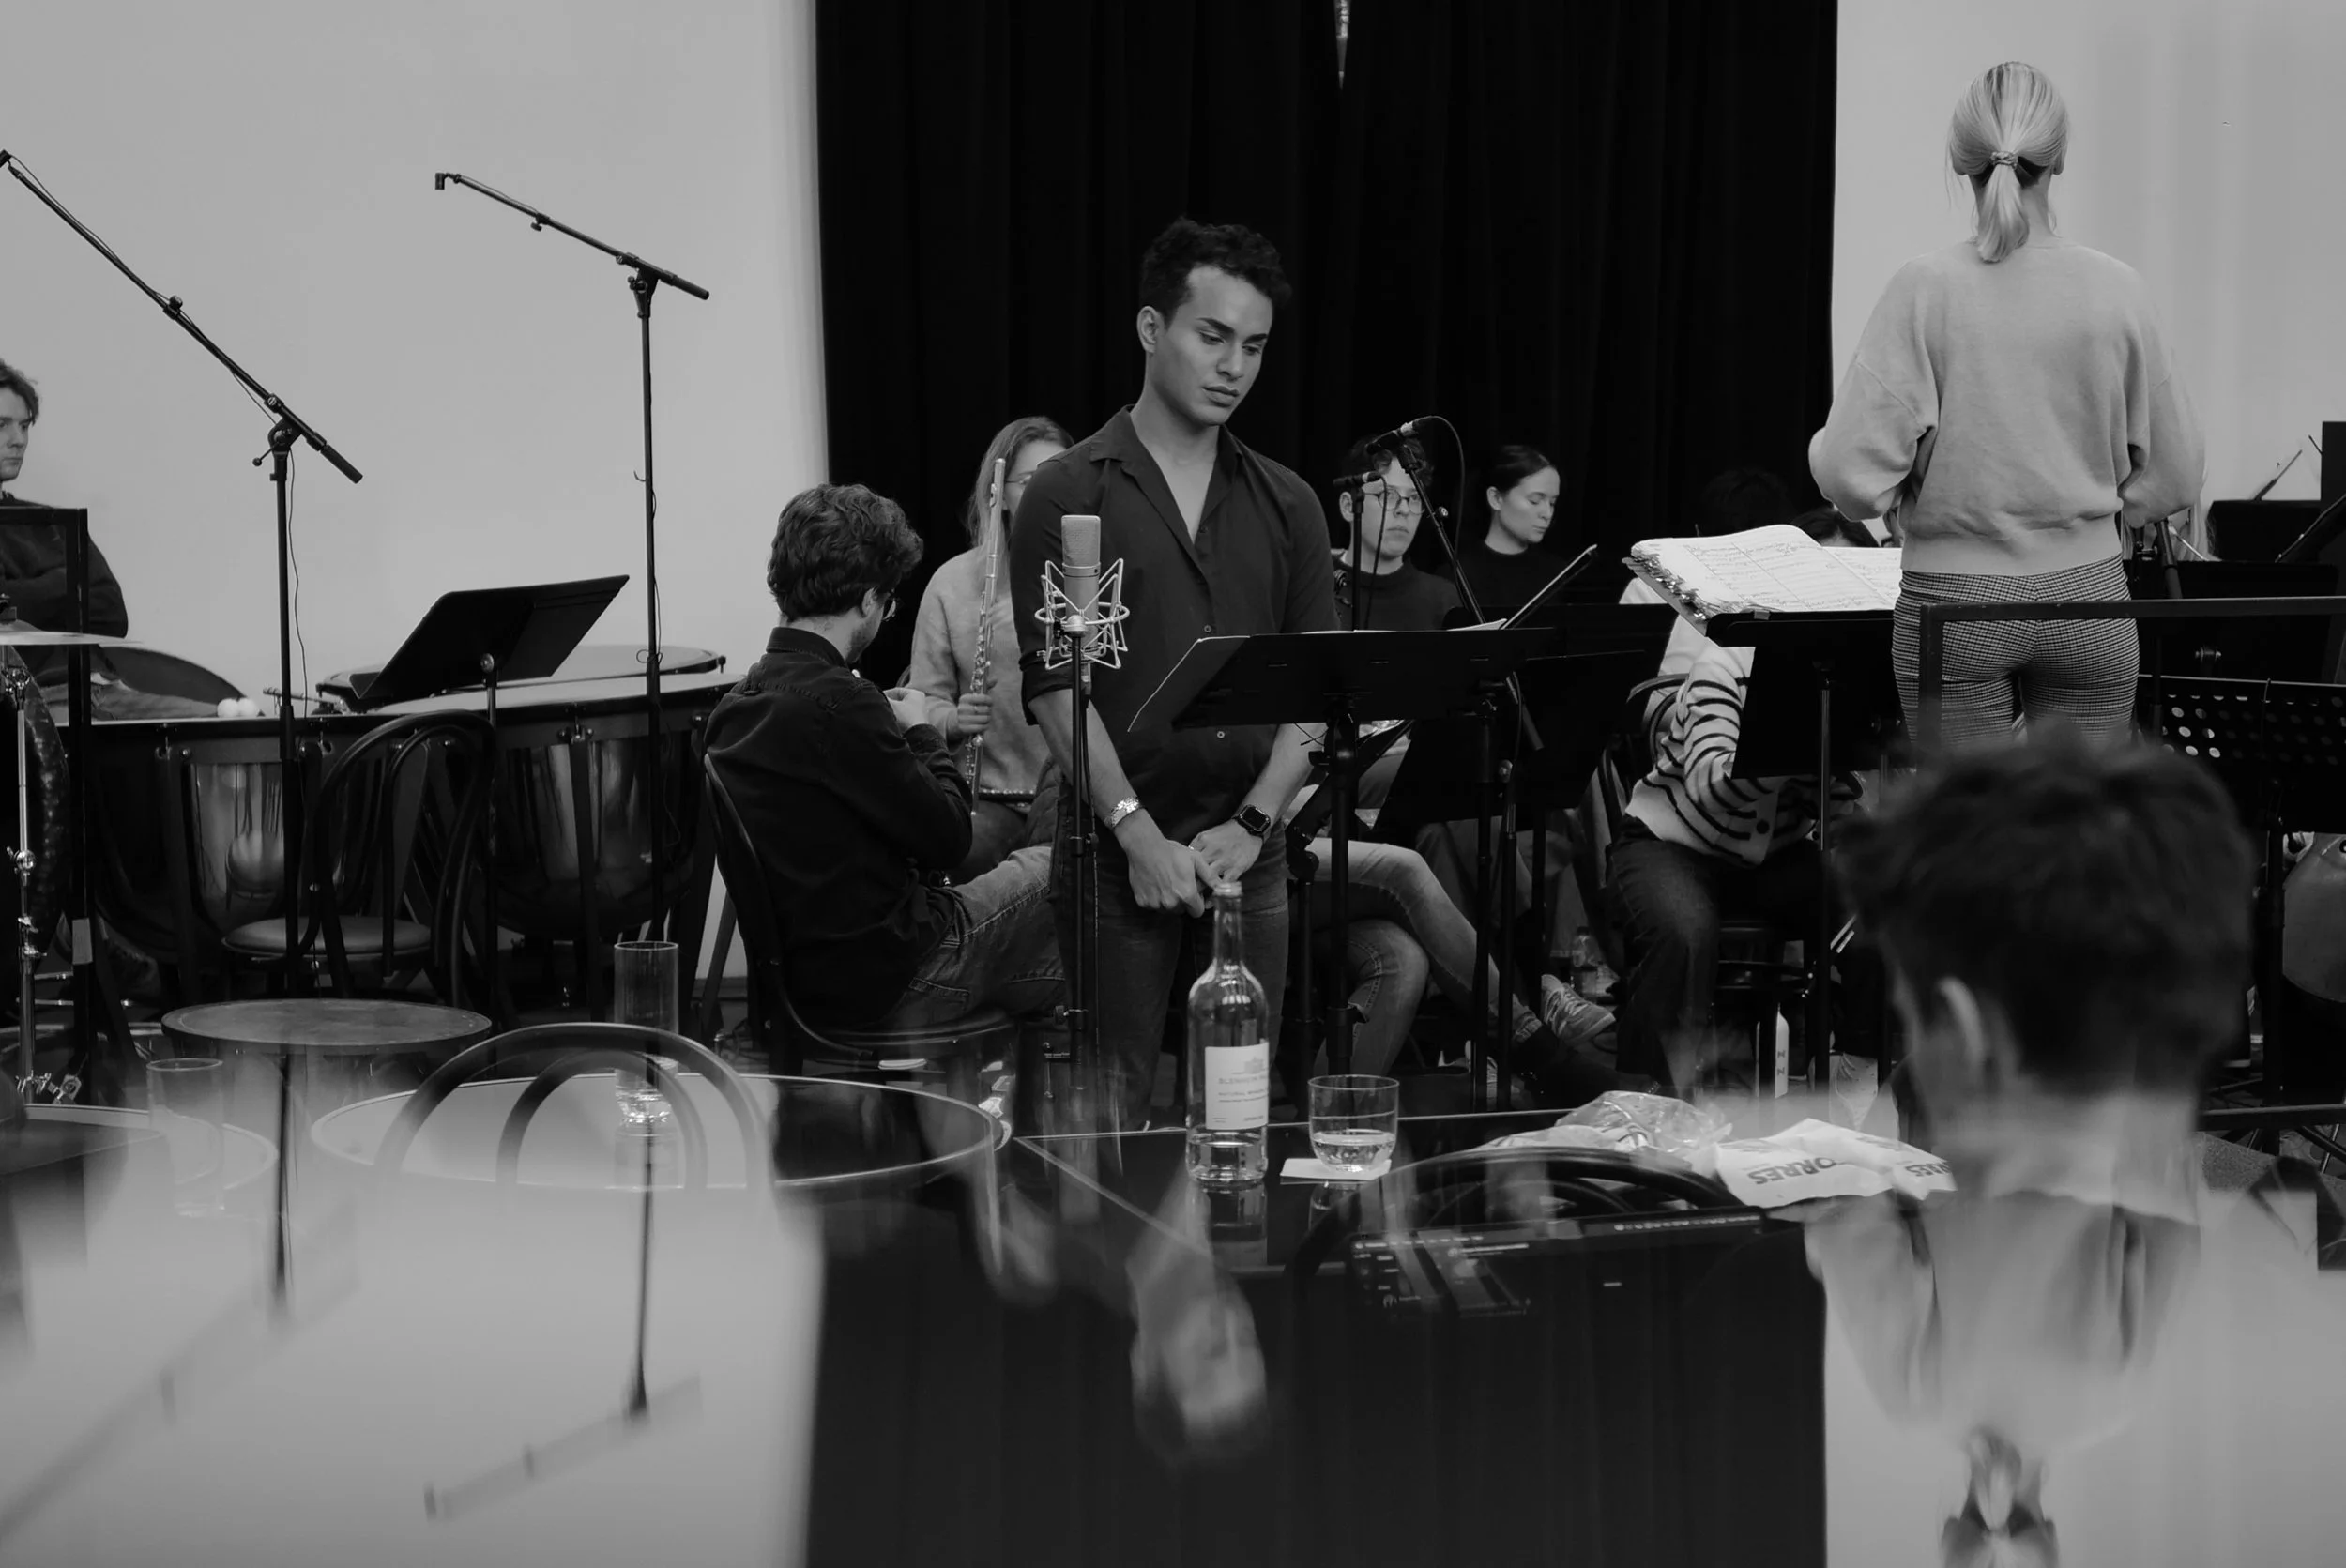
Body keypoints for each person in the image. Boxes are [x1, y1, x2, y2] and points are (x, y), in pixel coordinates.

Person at [1010, 217, 1332, 1125]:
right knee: (1112, 1113)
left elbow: (1315, 689)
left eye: (1254, 347)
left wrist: (1255, 821)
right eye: (1213, 336)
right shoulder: (1067, 491)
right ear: (1152, 329)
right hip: (1114, 854)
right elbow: (1054, 687)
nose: (1234, 366)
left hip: (1249, 851)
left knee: (1236, 1105)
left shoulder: (1288, 502)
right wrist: (1135, 831)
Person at [1809, 62, 2203, 754]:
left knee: (1966, 818)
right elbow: (2178, 475)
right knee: (2079, 816)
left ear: (1961, 160)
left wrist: (1901, 498)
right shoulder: (2118, 290)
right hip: (2088, 601)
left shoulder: (1922, 289)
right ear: (2059, 159)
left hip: (1953, 606)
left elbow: (1848, 479)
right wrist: (2105, 513)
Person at [706, 483, 1063, 1073]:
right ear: (870, 600)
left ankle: (963, 1106)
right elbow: (951, 837)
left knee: (1059, 964)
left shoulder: (735, 707)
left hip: (802, 988)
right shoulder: (845, 704)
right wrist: (922, 730)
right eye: (889, 602)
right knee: (1061, 867)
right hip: (897, 981)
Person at [1603, 634, 1869, 1090]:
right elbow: (1710, 783)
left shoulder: (1832, 675)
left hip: (1772, 857)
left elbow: (1828, 801)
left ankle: (1858, 1066)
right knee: (1684, 935)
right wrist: (1797, 746)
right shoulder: (1723, 667)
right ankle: (1646, 1097)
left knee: (1874, 904)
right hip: (1668, 843)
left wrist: (1842, 778)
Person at [908, 415, 1072, 879]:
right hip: (986, 799)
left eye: (1059, 479)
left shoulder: (1094, 581)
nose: (1048, 494)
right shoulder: (953, 583)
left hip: (1073, 793)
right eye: (1030, 481)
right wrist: (953, 720)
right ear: (999, 494)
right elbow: (921, 701)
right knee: (941, 860)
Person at [0, 358, 129, 636]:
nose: (18, 440)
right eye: (1, 425)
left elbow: (113, 614)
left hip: (74, 665)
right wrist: (68, 581)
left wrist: (26, 595)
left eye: (24, 426)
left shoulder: (55, 523)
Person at [1330, 433, 1458, 633]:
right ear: (1348, 506)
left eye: (1414, 498)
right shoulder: (1315, 590)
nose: (1404, 510)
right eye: (1388, 495)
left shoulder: (1444, 601)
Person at [1448, 444, 1567, 614]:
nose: (1547, 514)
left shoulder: (1559, 573)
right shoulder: (1458, 574)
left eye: (1552, 503)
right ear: (1496, 499)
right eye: (1534, 501)